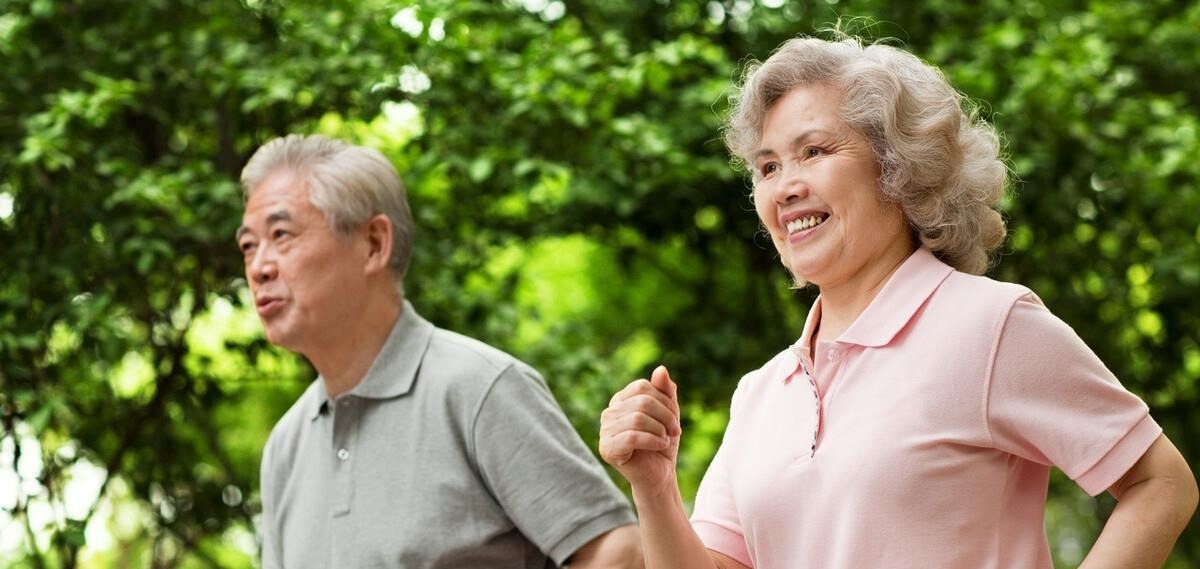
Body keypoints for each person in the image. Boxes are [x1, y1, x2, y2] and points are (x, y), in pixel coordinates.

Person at [599, 35, 1198, 569]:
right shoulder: (761, 393)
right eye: (768, 167)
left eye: (815, 151)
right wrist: (654, 487)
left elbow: (1162, 484)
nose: (785, 187)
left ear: (897, 167)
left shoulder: (990, 324)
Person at [238, 134, 642, 569]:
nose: (258, 268)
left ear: (373, 243)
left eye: (281, 235)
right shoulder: (285, 446)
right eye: (248, 246)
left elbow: (620, 552)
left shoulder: (480, 389)